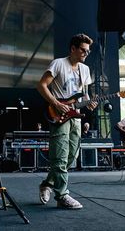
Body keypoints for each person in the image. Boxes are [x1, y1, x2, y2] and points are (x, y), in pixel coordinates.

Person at [37, 33, 97, 209]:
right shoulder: (58, 64)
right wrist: (56, 103)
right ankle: (62, 195)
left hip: (76, 115)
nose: (86, 54)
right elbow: (41, 85)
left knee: (72, 156)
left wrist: (90, 103)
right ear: (73, 49)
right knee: (60, 157)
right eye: (83, 50)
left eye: (88, 51)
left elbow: (83, 93)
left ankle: (47, 183)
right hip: (59, 115)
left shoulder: (84, 70)